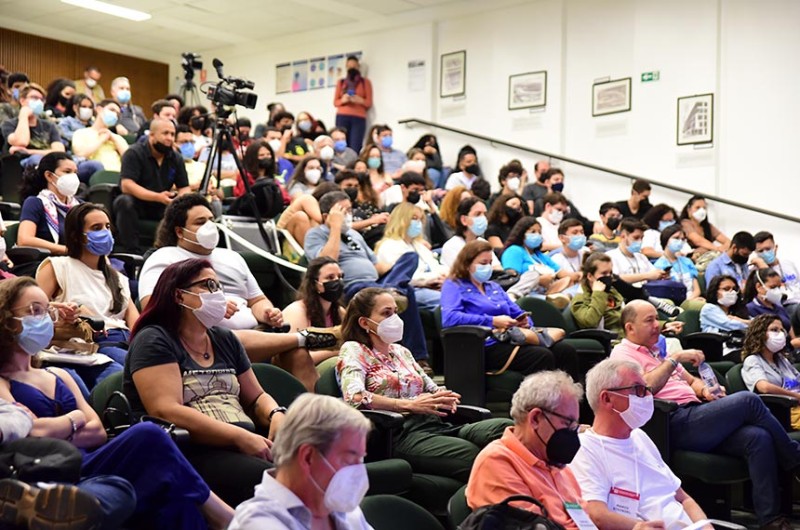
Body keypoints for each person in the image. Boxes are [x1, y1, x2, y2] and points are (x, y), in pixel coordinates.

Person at [0, 276, 235, 530]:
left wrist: (55, 430)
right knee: (148, 435)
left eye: (47, 311)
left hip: (87, 463)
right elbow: (28, 433)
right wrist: (75, 420)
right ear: (6, 320)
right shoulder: (3, 381)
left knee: (172, 499)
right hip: (44, 468)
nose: (44, 318)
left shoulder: (59, 374)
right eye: (35, 310)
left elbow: (98, 432)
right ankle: (226, 518)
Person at [611, 299, 800, 530]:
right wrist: (674, 359)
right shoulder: (622, 354)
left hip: (697, 415)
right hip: (670, 422)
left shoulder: (657, 352)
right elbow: (646, 387)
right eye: (649, 320)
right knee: (748, 400)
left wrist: (706, 390)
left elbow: (691, 381)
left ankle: (770, 520)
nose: (657, 325)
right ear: (630, 327)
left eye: (656, 319)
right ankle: (794, 459)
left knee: (757, 437)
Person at [125, 258, 286, 508]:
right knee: (279, 482)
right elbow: (166, 410)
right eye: (208, 285)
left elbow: (256, 397)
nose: (218, 293)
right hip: (191, 450)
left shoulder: (225, 339)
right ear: (179, 295)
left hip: (243, 442)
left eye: (219, 286)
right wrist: (239, 437)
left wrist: (275, 414)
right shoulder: (154, 339)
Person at [139, 194, 330, 391]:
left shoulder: (233, 257)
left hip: (258, 334)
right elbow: (153, 306)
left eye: (211, 220)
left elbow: (257, 300)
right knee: (235, 339)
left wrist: (267, 312)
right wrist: (210, 308)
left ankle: (315, 408)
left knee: (297, 354)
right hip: (204, 340)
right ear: (180, 231)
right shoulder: (164, 258)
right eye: (200, 222)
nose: (209, 226)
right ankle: (306, 337)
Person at [338, 287, 510, 480]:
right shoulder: (354, 349)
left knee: (505, 429)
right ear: (364, 322)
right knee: (471, 454)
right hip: (400, 433)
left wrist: (444, 397)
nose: (395, 319)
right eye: (386, 313)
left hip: (435, 424)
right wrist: (407, 405)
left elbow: (432, 388)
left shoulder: (401, 351)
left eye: (395, 312)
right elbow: (354, 397)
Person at [570, 358, 710, 528]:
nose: (648, 396)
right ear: (607, 398)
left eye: (647, 389)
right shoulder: (584, 448)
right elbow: (596, 514)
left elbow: (683, 498)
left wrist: (706, 526)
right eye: (638, 390)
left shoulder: (640, 437)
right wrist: (639, 527)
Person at [304, 191, 432, 369]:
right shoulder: (315, 234)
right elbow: (327, 262)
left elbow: (377, 265)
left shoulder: (355, 235)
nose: (348, 215)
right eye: (343, 211)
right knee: (401, 292)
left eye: (350, 210)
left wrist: (399, 269)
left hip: (377, 282)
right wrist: (335, 227)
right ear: (327, 216)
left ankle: (418, 358)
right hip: (352, 285)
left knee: (410, 257)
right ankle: (391, 292)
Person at [228, 393, 373, 530]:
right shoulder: (257, 524)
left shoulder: (345, 510)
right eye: (349, 460)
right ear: (308, 457)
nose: (358, 471)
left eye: (361, 459)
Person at [466, 370, 590, 529]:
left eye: (575, 426)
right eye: (567, 424)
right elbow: (532, 526)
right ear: (535, 418)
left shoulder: (558, 465)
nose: (573, 433)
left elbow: (586, 520)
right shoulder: (497, 461)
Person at [442, 240, 579, 380]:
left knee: (565, 350)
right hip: (483, 344)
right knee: (541, 355)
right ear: (466, 264)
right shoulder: (454, 285)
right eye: (483, 263)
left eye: (490, 263)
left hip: (510, 338)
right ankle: (538, 394)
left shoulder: (493, 287)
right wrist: (492, 321)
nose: (488, 267)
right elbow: (449, 317)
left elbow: (517, 312)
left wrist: (525, 321)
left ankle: (571, 393)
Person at [0, 397, 134, 530]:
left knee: (119, 488)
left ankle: (44, 503)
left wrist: (68, 422)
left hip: (55, 464)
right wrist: (72, 421)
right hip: (21, 470)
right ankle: (49, 509)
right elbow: (35, 430)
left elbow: (22, 416)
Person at [35, 203, 132, 387]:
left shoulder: (118, 278)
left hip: (126, 341)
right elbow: (32, 310)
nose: (105, 232)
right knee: (131, 374)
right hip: (93, 345)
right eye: (96, 228)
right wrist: (67, 310)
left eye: (107, 227)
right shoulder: (58, 267)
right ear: (76, 235)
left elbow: (135, 323)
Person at [113, 118, 191, 253]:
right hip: (138, 203)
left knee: (184, 207)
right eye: (165, 133)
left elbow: (184, 187)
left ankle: (171, 253)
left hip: (162, 204)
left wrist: (178, 201)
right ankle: (132, 252)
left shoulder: (176, 157)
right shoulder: (134, 153)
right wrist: (157, 197)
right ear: (152, 135)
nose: (169, 138)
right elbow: (127, 185)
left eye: (172, 134)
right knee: (124, 201)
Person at [375, 203, 447, 311]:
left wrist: (446, 276)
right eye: (414, 218)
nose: (418, 223)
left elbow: (435, 266)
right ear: (402, 220)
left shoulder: (418, 245)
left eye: (420, 219)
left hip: (432, 285)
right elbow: (403, 277)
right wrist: (433, 279)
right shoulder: (389, 246)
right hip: (411, 290)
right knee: (448, 300)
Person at [283, 257, 346, 365]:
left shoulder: (340, 312)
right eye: (330, 277)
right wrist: (338, 352)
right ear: (315, 284)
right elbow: (297, 358)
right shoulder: (297, 311)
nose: (337, 281)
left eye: (340, 277)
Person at [741, 314, 800, 430]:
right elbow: (764, 387)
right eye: (774, 330)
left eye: (781, 330)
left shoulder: (781, 359)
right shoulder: (752, 360)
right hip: (785, 411)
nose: (780, 334)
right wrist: (796, 396)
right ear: (760, 334)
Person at [17, 152, 80, 257]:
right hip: (47, 261)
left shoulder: (79, 205)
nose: (73, 177)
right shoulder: (35, 203)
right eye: (67, 172)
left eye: (75, 172)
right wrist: (66, 250)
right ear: (49, 176)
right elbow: (24, 240)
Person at [500, 217, 572, 305]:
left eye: (539, 232)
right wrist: (539, 280)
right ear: (522, 233)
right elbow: (511, 278)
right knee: (533, 275)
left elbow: (563, 274)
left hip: (546, 292)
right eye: (533, 232)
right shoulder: (514, 251)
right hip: (525, 295)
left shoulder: (540, 256)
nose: (537, 235)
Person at [1, 83, 65, 167]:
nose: (39, 102)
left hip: (48, 161)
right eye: (34, 98)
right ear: (22, 101)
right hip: (21, 165)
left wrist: (28, 152)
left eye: (42, 99)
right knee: (35, 159)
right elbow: (21, 142)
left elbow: (60, 151)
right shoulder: (8, 124)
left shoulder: (49, 125)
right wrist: (23, 116)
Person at [570, 252, 625, 334]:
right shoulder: (580, 299)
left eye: (610, 273)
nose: (608, 276)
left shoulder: (611, 291)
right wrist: (598, 294)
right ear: (590, 276)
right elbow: (590, 322)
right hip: (610, 338)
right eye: (604, 273)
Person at [440, 197, 501, 270]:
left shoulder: (484, 243)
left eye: (484, 214)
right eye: (478, 214)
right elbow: (459, 273)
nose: (483, 218)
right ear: (464, 220)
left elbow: (497, 268)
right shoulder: (451, 246)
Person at [70, 99, 128, 174]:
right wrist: (101, 140)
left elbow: (129, 159)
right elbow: (80, 154)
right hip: (93, 174)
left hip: (117, 174)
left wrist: (113, 138)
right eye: (112, 110)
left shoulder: (117, 138)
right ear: (99, 109)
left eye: (117, 114)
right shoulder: (81, 133)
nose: (114, 115)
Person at [606, 218, 668, 287]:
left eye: (642, 238)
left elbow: (654, 273)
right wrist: (646, 276)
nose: (640, 241)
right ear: (623, 236)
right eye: (636, 238)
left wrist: (661, 274)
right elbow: (615, 279)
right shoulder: (610, 256)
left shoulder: (641, 257)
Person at [334, 169, 387, 248]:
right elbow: (342, 226)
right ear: (338, 186)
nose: (353, 188)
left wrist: (376, 221)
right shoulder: (334, 205)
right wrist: (372, 221)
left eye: (356, 186)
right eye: (349, 185)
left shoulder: (360, 207)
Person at [653, 224, 704, 306]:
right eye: (676, 238)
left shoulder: (687, 261)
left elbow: (697, 290)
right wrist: (686, 303)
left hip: (692, 299)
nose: (680, 241)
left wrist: (690, 300)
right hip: (674, 304)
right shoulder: (659, 265)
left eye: (683, 239)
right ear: (666, 239)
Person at [743, 269, 797, 344]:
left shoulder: (779, 308)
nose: (777, 291)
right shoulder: (751, 308)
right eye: (773, 287)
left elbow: (792, 335)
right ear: (759, 287)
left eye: (779, 287)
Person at [752, 231, 800, 309]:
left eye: (768, 249)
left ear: (775, 247)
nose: (765, 253)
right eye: (761, 251)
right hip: (784, 306)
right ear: (756, 252)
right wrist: (762, 265)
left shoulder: (788, 264)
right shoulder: (756, 272)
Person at [333, 55, 372, 151]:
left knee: (355, 146)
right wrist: (343, 100)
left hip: (358, 118)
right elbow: (335, 102)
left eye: (354, 66)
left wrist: (360, 100)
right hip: (342, 117)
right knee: (341, 144)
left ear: (358, 67)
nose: (352, 68)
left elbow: (369, 103)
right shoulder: (341, 82)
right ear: (346, 67)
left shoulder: (365, 82)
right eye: (349, 66)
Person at [679, 196, 730, 266]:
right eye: (697, 207)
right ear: (689, 209)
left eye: (704, 208)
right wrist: (717, 249)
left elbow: (727, 241)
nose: (701, 211)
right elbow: (697, 240)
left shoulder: (707, 226)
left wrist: (725, 247)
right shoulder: (685, 223)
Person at [550, 218, 589, 296]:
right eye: (575, 233)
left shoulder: (586, 252)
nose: (580, 235)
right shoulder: (556, 259)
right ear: (562, 238)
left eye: (582, 232)